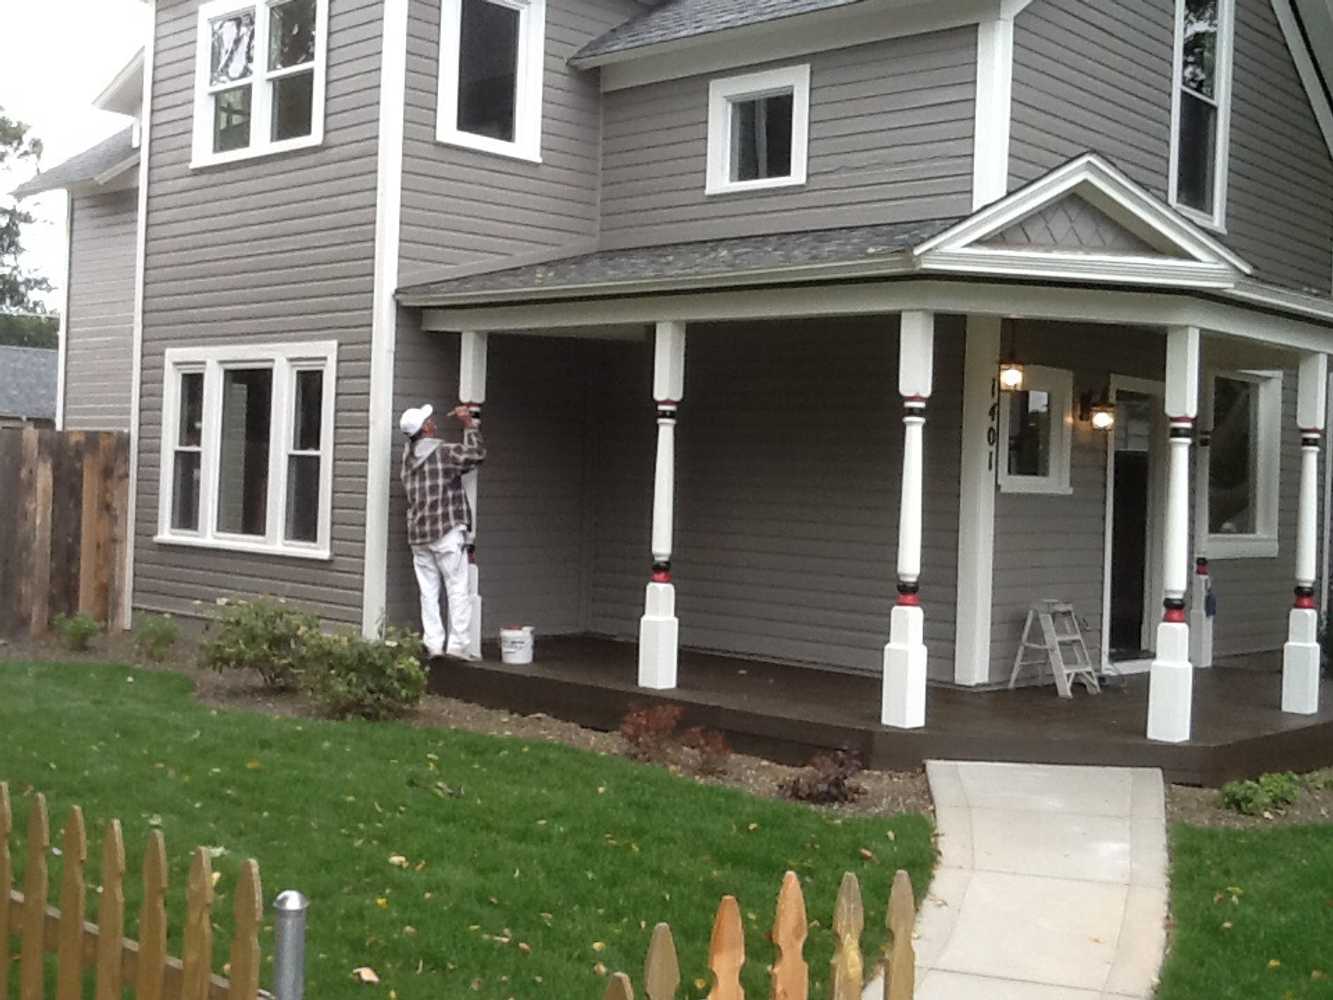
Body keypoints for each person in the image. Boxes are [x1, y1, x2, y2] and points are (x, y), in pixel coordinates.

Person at [399, 402, 487, 659]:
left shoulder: (407, 458)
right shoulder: (443, 453)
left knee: (428, 592)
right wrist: (469, 424)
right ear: (426, 428)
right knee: (457, 587)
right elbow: (476, 454)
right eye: (429, 421)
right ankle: (458, 645)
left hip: (419, 535)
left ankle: (434, 644)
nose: (433, 423)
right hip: (446, 531)